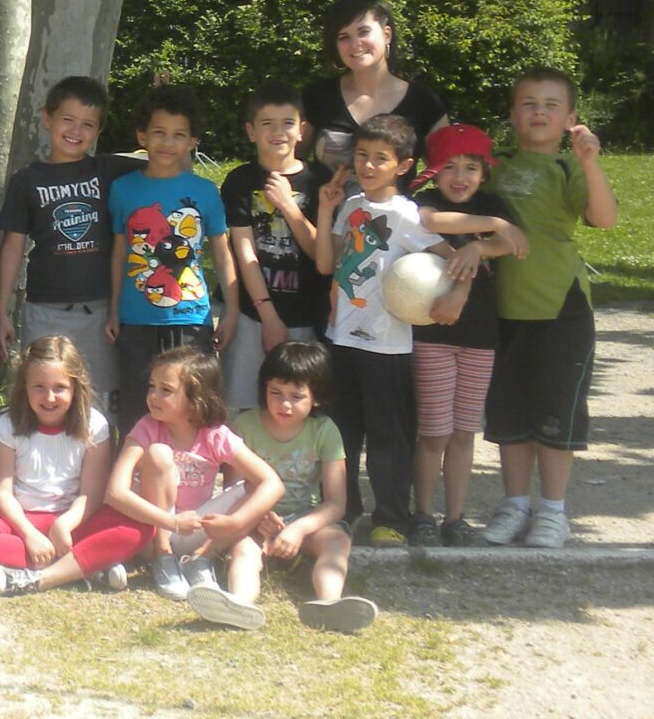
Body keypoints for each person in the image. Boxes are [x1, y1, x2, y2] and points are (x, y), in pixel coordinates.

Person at [480, 68, 619, 549]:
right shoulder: (493, 168)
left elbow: (604, 218)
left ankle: (553, 512)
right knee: (509, 417)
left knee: (556, 413)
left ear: (570, 118)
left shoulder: (569, 167)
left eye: (551, 105)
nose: (539, 112)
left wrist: (590, 161)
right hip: (500, 311)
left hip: (561, 310)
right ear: (513, 115)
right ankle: (515, 505)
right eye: (529, 103)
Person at [315, 114, 451, 545]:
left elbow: (449, 257)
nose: (368, 166)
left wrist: (461, 283)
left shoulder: (408, 215)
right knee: (342, 433)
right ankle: (345, 511)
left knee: (388, 435)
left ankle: (391, 516)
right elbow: (326, 263)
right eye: (361, 156)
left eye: (380, 158)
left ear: (403, 165)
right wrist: (324, 207)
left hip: (388, 347)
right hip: (341, 339)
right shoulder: (352, 207)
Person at [103, 347, 283, 624]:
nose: (153, 396)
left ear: (195, 398)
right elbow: (114, 492)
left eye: (166, 390)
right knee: (160, 454)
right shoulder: (146, 428)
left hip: (194, 531)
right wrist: (171, 522)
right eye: (152, 386)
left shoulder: (214, 435)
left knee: (252, 487)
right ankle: (163, 560)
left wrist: (235, 522)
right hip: (152, 533)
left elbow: (272, 483)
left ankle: (202, 559)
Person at [409, 123, 526, 546]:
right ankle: (422, 513)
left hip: (480, 337)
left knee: (463, 432)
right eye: (450, 167)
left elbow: (515, 242)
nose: (460, 177)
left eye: (471, 168)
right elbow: (433, 221)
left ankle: (454, 518)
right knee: (434, 431)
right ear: (433, 173)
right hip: (433, 334)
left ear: (484, 173)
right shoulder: (423, 204)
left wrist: (479, 245)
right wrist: (490, 225)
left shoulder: (495, 203)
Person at [0, 77, 132, 413]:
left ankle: (102, 466)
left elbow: (164, 164)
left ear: (99, 131)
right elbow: (13, 247)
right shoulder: (26, 181)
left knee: (99, 406)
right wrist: (0, 311)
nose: (76, 131)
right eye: (67, 119)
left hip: (100, 313)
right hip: (45, 312)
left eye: (88, 124)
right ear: (47, 119)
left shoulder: (109, 170)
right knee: (43, 401)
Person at [0, 336, 142, 596]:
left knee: (138, 526)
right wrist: (29, 535)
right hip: (19, 520)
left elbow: (91, 495)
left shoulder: (95, 425)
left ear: (75, 387)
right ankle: (86, 565)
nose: (49, 397)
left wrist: (63, 525)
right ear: (24, 386)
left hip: (74, 520)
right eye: (39, 386)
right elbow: (0, 493)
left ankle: (38, 576)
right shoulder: (6, 424)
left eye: (59, 387)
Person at [231, 341, 378, 633]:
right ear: (263, 389)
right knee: (243, 551)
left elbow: (336, 503)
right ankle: (239, 605)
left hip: (303, 519)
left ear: (317, 398)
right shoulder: (244, 425)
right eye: (275, 393)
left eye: (297, 396)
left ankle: (330, 603)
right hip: (253, 517)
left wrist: (298, 529)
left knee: (338, 542)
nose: (284, 404)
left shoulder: (325, 431)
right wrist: (257, 517)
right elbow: (234, 488)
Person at [105, 85, 235, 410]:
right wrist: (113, 309)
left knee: (191, 406)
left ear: (192, 142)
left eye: (179, 134)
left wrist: (230, 310)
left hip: (191, 318)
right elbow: (120, 253)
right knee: (137, 406)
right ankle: (135, 462)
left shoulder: (205, 192)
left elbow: (221, 252)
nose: (168, 142)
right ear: (142, 135)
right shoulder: (122, 190)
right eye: (159, 132)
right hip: (135, 320)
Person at [219, 84, 330, 412]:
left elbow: (322, 256)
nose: (277, 132)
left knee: (295, 408)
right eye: (267, 123)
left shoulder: (320, 181)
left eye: (287, 123)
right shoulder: (240, 181)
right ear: (251, 131)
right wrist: (268, 316)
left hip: (306, 315)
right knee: (242, 410)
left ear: (301, 131)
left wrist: (288, 207)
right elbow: (244, 251)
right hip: (253, 314)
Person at [302, 0, 449, 173]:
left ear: (387, 34)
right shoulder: (316, 97)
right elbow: (288, 164)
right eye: (344, 37)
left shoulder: (424, 104)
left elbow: (449, 173)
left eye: (363, 32)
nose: (355, 44)